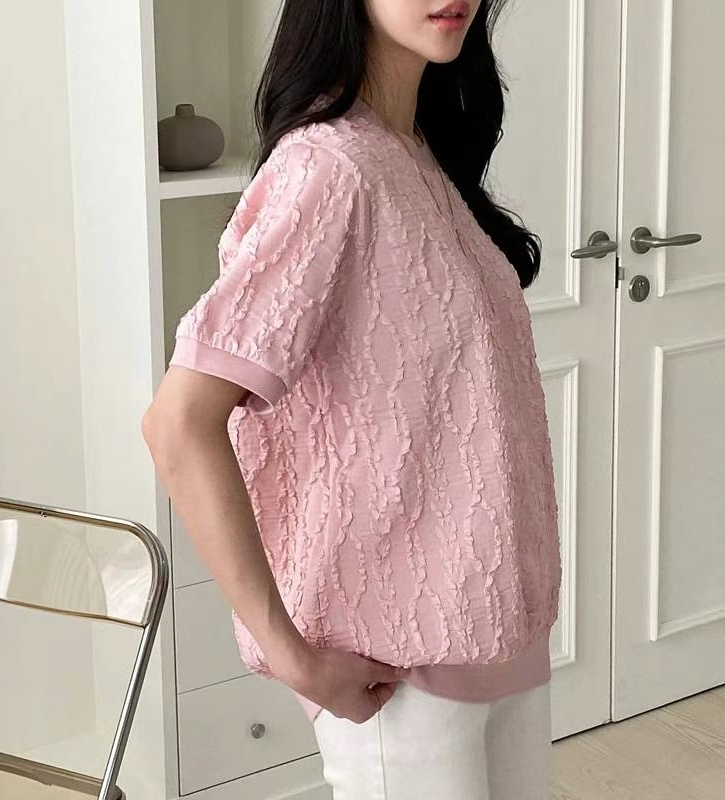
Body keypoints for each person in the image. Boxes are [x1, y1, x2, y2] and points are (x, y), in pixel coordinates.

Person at [142, 0, 563, 797]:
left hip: (501, 637)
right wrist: (292, 655)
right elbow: (178, 423)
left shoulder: (417, 152)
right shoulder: (327, 169)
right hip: (394, 668)